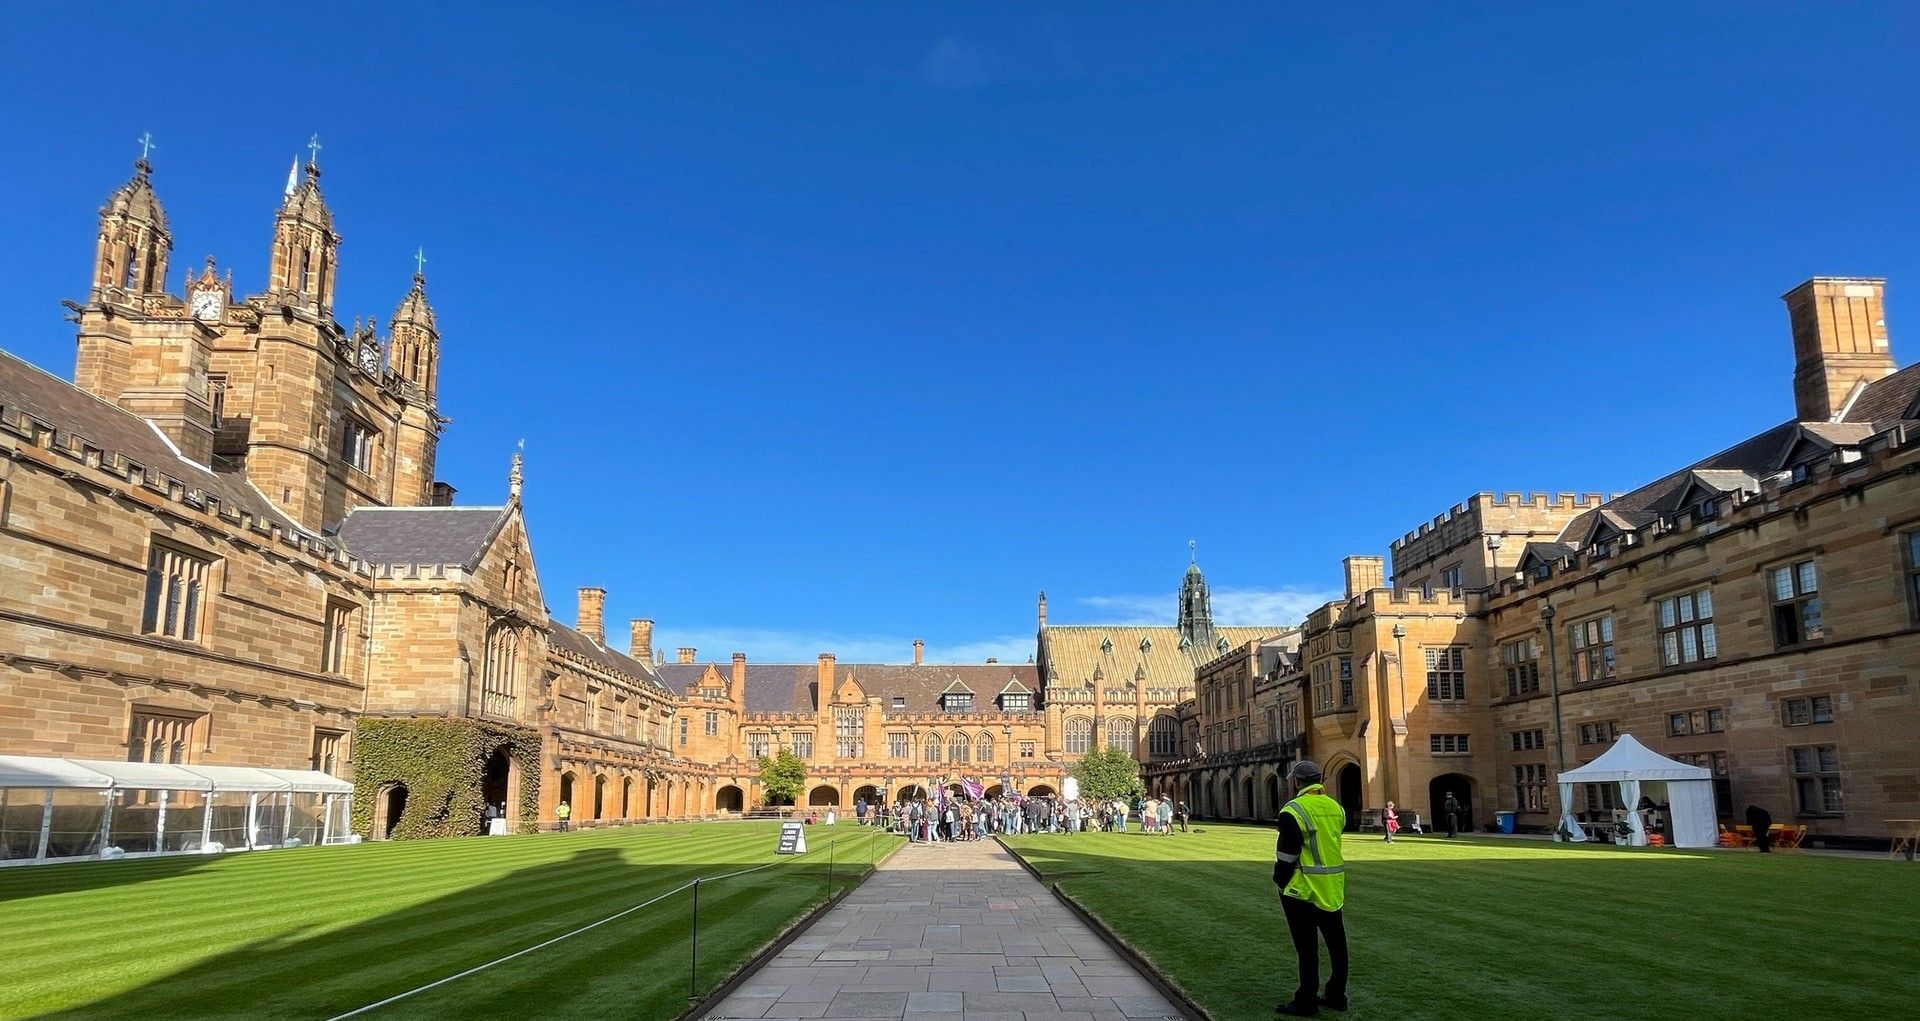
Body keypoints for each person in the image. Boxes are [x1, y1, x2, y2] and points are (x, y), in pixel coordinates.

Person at [1273, 760, 1348, 1016]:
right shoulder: (1336, 808)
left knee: (1307, 949)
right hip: (1333, 886)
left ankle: (1306, 1001)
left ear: (1297, 782)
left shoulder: (1293, 810)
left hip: (1302, 890)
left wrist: (1280, 882)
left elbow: (1287, 854)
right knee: (1337, 945)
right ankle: (1337, 995)